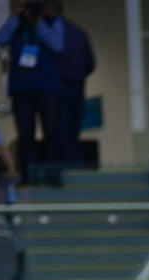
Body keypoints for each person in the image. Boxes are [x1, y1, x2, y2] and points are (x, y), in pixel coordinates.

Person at [0, 1, 64, 181]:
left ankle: (52, 174)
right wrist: (15, 18)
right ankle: (27, 174)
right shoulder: (17, 24)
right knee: (26, 134)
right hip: (21, 88)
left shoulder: (52, 21)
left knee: (51, 132)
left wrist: (38, 23)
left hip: (47, 87)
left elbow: (57, 45)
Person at [49, 0, 94, 165]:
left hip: (59, 86)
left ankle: (67, 164)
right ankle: (73, 162)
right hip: (75, 85)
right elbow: (90, 64)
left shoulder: (49, 34)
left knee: (61, 129)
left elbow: (89, 63)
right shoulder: (79, 33)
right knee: (72, 128)